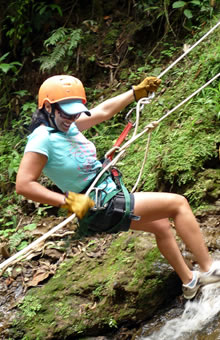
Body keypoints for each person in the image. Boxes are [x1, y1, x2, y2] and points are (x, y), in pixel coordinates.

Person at [16, 74, 220, 300]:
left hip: (107, 194)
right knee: (178, 204)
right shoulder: (41, 139)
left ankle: (190, 282)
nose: (72, 117)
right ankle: (210, 269)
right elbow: (24, 184)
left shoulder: (67, 125)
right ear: (47, 107)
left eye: (76, 112)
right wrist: (69, 203)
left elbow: (103, 111)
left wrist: (134, 93)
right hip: (97, 204)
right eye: (67, 112)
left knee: (161, 226)